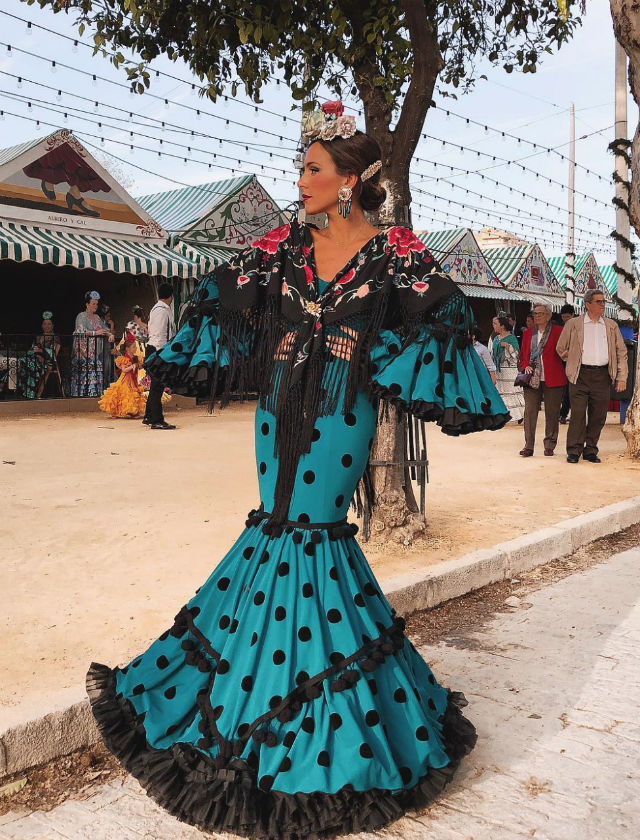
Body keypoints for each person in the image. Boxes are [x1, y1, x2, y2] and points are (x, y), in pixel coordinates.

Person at [86, 104, 510, 840]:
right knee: (275, 526)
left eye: (312, 168)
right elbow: (222, 295)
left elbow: (445, 318)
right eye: (300, 168)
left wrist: (372, 359)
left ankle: (315, 721)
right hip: (275, 407)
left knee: (314, 532)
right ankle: (255, 691)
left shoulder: (394, 252)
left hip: (343, 416)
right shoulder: (283, 244)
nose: (300, 179)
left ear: (349, 180)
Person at [556, 288, 628, 463]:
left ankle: (590, 450)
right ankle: (574, 451)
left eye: (604, 301)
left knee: (598, 415)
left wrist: (622, 377)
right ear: (588, 304)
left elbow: (621, 352)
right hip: (579, 375)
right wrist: (572, 357)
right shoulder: (573, 324)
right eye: (599, 301)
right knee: (578, 414)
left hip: (602, 376)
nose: (603, 304)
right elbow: (560, 348)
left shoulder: (611, 326)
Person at [518, 303, 567, 457]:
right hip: (532, 379)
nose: (537, 316)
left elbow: (565, 350)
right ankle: (529, 446)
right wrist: (525, 365)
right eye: (535, 313)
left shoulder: (559, 331)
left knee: (552, 413)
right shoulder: (527, 333)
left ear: (548, 315)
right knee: (530, 412)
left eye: (540, 313)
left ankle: (550, 444)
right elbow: (522, 355)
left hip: (553, 377)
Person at [142, 283, 176, 429]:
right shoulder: (162, 311)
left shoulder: (157, 309)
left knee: (156, 385)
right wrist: (163, 353)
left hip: (154, 348)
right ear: (171, 296)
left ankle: (149, 416)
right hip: (158, 349)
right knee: (158, 386)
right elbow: (160, 333)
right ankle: (156, 420)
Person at [70, 291, 114, 397]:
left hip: (95, 352)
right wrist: (95, 333)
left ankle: (95, 393)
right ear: (87, 304)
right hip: (84, 353)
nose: (95, 306)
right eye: (93, 303)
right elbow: (80, 330)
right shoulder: (81, 316)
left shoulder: (97, 317)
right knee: (87, 371)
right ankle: (83, 394)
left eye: (96, 304)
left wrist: (109, 334)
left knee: (98, 369)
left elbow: (104, 328)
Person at [98, 335, 145, 418]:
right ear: (127, 348)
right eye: (134, 347)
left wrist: (139, 365)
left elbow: (139, 367)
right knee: (123, 393)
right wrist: (132, 366)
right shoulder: (124, 358)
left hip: (132, 379)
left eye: (135, 347)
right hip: (125, 379)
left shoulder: (135, 358)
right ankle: (117, 411)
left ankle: (132, 411)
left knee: (132, 394)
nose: (135, 349)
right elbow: (124, 370)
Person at [491, 314, 525, 423]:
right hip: (499, 371)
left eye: (495, 324)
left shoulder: (512, 338)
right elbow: (493, 354)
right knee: (501, 392)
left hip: (510, 371)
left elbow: (517, 355)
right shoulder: (496, 338)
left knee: (512, 392)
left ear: (502, 326)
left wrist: (508, 347)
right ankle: (503, 415)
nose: (493, 326)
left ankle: (519, 415)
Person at [558, 304, 575, 424]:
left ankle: (566, 414)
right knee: (565, 390)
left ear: (573, 315)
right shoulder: (561, 329)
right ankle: (563, 414)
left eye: (568, 316)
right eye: (563, 317)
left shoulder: (578, 328)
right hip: (562, 363)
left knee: (572, 390)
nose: (565, 319)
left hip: (575, 363)